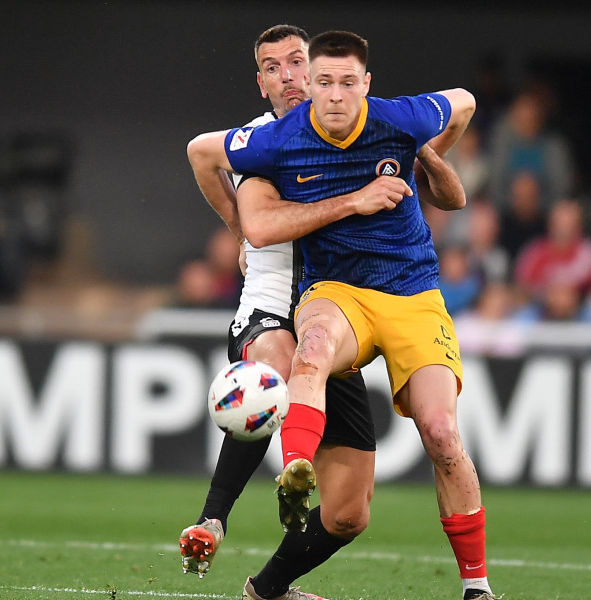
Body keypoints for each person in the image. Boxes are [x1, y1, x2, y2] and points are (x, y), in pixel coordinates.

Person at [187, 30, 497, 600]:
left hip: (387, 294)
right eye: (272, 67)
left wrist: (419, 153)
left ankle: (269, 590)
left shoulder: (384, 120)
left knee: (355, 509)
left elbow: (456, 165)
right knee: (280, 370)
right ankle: (217, 516)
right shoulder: (270, 142)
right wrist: (237, 229)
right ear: (260, 80)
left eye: (299, 64)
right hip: (283, 300)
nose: (290, 77)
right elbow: (217, 174)